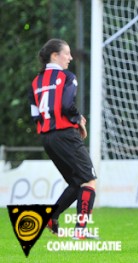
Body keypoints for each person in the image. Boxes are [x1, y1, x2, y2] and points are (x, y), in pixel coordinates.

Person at [28, 39, 98, 239]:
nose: (70, 58)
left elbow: (35, 115)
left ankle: (51, 217)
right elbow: (67, 105)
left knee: (77, 183)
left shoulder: (35, 82)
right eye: (67, 53)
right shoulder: (67, 77)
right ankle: (80, 231)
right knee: (89, 182)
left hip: (48, 139)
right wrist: (78, 121)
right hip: (66, 135)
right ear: (55, 56)